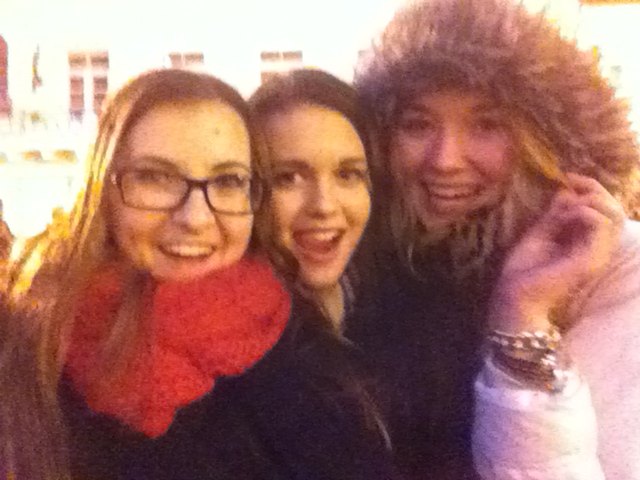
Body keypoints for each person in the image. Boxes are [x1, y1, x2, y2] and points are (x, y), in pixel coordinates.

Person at [6, 68, 394, 479]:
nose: (195, 218)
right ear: (102, 189)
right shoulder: (30, 345)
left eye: (228, 180)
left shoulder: (299, 346)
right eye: (155, 177)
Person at [354, 0, 640, 478]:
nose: (445, 160)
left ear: (544, 141)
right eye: (417, 124)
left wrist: (523, 318)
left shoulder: (619, 271)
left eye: (486, 125)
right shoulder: (370, 264)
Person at [249, 68, 375, 328]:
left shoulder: (389, 300)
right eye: (288, 177)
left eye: (347, 174)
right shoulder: (229, 338)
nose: (324, 206)